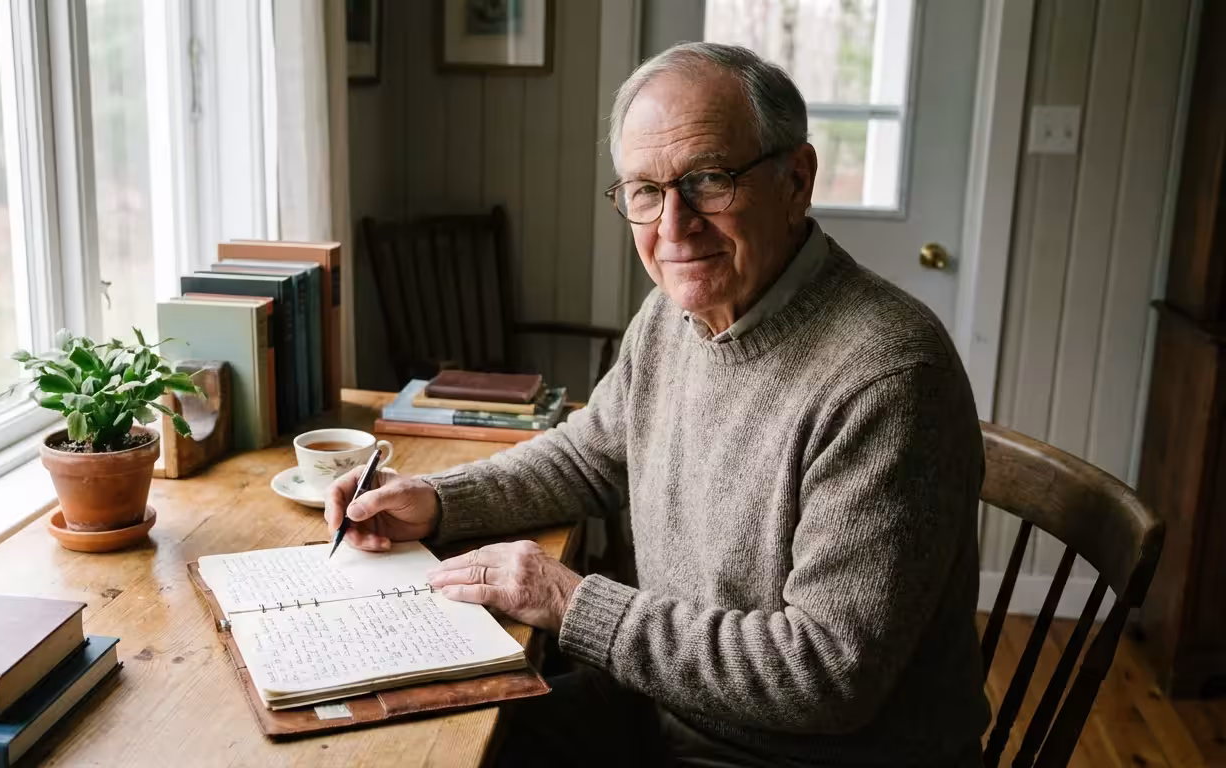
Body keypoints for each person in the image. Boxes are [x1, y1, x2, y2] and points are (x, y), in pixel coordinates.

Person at [326, 42, 989, 767]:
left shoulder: (889, 376)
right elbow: (591, 455)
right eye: (644, 190)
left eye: (708, 180)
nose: (673, 226)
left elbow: (825, 675)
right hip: (672, 710)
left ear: (796, 180)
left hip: (804, 756)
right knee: (406, 741)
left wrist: (571, 604)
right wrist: (436, 499)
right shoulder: (675, 315)